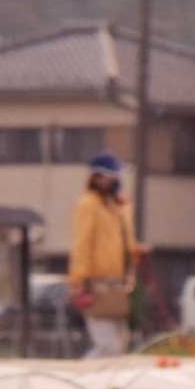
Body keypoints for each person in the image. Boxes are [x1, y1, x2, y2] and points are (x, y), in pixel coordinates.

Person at [68, 152, 146, 356]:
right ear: (96, 177)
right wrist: (78, 280)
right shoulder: (88, 205)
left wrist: (136, 252)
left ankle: (111, 385)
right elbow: (82, 243)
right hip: (96, 283)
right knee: (106, 344)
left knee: (121, 343)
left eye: (115, 176)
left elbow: (124, 241)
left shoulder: (120, 207)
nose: (115, 180)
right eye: (110, 176)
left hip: (118, 284)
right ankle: (83, 380)